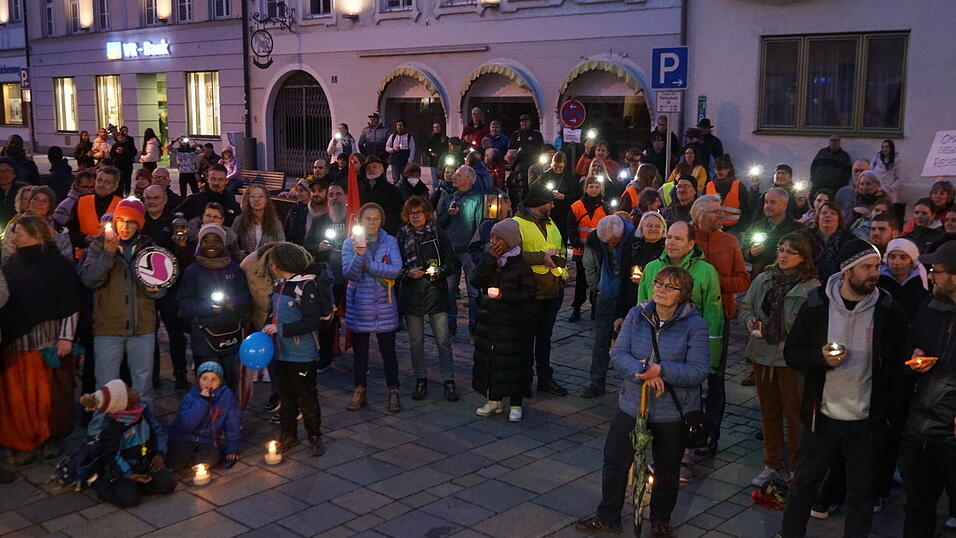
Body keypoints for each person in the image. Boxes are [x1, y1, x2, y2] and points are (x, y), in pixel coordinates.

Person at [778, 239, 907, 538]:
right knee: (803, 486)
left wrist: (889, 416)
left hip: (867, 422)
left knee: (861, 493)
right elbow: (793, 353)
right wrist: (819, 359)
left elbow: (899, 367)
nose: (874, 273)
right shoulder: (815, 305)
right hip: (821, 418)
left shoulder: (888, 309)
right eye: (866, 267)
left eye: (877, 266)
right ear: (848, 270)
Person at [575, 266, 709, 538]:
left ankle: (660, 519)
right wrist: (642, 371)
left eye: (669, 286)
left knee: (667, 468)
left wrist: (661, 371)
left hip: (671, 410)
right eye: (658, 283)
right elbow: (618, 354)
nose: (660, 289)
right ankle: (608, 516)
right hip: (633, 405)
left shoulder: (694, 325)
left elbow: (698, 370)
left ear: (683, 294)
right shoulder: (637, 314)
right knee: (615, 460)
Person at [740, 232, 819, 487]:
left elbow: (814, 326)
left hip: (790, 359)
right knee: (769, 412)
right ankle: (771, 461)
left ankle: (797, 465)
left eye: (790, 252)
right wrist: (750, 322)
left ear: (803, 257)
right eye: (781, 250)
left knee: (794, 414)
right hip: (762, 354)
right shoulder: (764, 278)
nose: (783, 255)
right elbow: (747, 308)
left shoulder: (813, 288)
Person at [0, 216, 80, 464]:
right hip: (18, 343)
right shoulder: (10, 265)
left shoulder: (58, 265)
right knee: (19, 399)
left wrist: (66, 338)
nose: (14, 237)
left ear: (36, 236)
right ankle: (24, 442)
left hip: (49, 342)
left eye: (19, 233)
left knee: (49, 397)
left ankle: (50, 439)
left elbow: (71, 303)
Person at [79, 198, 165, 398]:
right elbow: (89, 280)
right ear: (115, 222)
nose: (125, 227)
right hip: (108, 327)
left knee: (142, 384)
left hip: (142, 327)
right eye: (122, 220)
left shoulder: (149, 248)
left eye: (132, 222)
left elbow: (162, 289)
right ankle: (99, 427)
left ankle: (143, 424)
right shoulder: (99, 247)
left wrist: (155, 289)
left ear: (139, 224)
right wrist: (108, 255)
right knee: (105, 385)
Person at [899, 241, 956, 537]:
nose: (930, 275)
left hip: (951, 429)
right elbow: (912, 342)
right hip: (920, 425)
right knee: (918, 504)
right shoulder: (929, 305)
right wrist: (914, 355)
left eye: (937, 270)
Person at [690, 195, 749, 452]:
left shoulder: (729, 242)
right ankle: (690, 431)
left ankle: (712, 433)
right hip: (688, 316)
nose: (720, 216)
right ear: (698, 215)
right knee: (689, 377)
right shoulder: (687, 238)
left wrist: (714, 282)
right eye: (714, 212)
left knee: (715, 377)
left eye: (720, 212)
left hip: (719, 317)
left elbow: (743, 279)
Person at [263, 242, 329, 456]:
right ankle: (288, 434)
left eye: (273, 262)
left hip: (301, 353)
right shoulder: (279, 285)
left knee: (306, 395)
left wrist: (281, 329)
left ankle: (314, 435)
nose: (270, 266)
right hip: (281, 352)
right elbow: (273, 312)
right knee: (286, 396)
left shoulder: (305, 287)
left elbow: (312, 321)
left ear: (283, 264)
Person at [471, 219, 536, 422]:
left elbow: (529, 292)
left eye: (498, 237)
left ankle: (516, 403)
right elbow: (476, 280)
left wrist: (504, 295)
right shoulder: (490, 259)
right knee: (491, 360)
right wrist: (490, 259)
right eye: (492, 237)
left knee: (513, 362)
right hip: (490, 320)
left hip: (513, 323)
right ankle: (494, 399)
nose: (494, 241)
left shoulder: (521, 265)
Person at [73, 380, 175, 507]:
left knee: (167, 483)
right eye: (129, 391)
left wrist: (160, 453)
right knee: (129, 500)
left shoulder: (144, 410)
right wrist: (129, 474)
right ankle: (98, 484)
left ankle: (139, 484)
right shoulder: (114, 427)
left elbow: (157, 431)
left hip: (145, 461)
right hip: (125, 468)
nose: (134, 390)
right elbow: (113, 456)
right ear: (124, 403)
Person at [397, 196, 459, 401]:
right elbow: (396, 265)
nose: (415, 217)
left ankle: (448, 380)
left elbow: (452, 263)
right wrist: (407, 272)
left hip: (435, 293)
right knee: (416, 342)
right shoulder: (402, 235)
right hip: (411, 294)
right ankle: (420, 379)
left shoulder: (439, 234)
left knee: (442, 340)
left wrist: (438, 271)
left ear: (427, 213)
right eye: (412, 213)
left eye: (419, 212)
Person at [343, 203, 403, 412]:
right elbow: (350, 274)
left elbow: (395, 269)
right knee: (361, 354)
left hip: (384, 306)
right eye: (368, 219)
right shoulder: (350, 244)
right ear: (361, 220)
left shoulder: (390, 241)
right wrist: (360, 256)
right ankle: (359, 389)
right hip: (361, 305)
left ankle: (393, 390)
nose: (372, 223)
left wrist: (371, 266)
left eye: (376, 218)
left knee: (389, 352)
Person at [177, 223, 251, 389]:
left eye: (216, 240)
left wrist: (233, 303)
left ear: (224, 243)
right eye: (206, 240)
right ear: (200, 243)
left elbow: (245, 295)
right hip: (204, 338)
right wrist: (208, 307)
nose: (211, 245)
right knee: (209, 383)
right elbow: (184, 303)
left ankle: (229, 411)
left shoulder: (234, 269)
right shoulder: (192, 271)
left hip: (231, 336)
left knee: (231, 380)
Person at [515, 183, 568, 396]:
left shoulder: (550, 222)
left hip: (552, 290)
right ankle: (524, 381)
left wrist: (563, 273)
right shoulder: (517, 224)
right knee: (527, 340)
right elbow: (513, 255)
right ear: (539, 203)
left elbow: (560, 247)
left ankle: (545, 378)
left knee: (545, 339)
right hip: (531, 292)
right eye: (549, 202)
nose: (553, 205)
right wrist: (540, 258)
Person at [580, 214, 640, 398]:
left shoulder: (635, 240)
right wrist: (595, 287)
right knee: (600, 341)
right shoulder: (596, 239)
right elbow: (588, 263)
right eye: (606, 242)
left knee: (633, 344)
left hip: (629, 297)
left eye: (614, 242)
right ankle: (597, 382)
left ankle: (633, 386)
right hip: (605, 293)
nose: (610, 245)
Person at [436, 165, 484, 340]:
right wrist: (448, 214)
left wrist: (476, 247)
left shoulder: (477, 199)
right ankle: (450, 327)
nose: (454, 177)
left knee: (473, 291)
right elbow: (439, 223)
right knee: (449, 291)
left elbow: (480, 225)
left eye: (458, 175)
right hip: (450, 251)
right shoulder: (449, 198)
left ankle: (474, 328)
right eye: (454, 174)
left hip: (468, 252)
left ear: (469, 180)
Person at [167, 361, 241, 470]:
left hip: (207, 440)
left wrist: (232, 449)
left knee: (211, 459)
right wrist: (203, 401)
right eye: (204, 379)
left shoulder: (226, 396)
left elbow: (232, 424)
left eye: (213, 379)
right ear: (198, 380)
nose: (208, 383)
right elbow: (188, 425)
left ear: (220, 381)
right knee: (175, 462)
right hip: (184, 437)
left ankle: (194, 459)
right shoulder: (191, 396)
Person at [567, 176, 607, 322]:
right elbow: (571, 228)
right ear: (586, 188)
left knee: (597, 280)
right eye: (591, 186)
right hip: (581, 250)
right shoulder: (576, 206)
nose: (594, 189)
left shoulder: (606, 207)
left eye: (596, 187)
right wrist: (576, 243)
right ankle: (576, 309)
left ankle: (594, 309)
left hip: (599, 251)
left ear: (600, 188)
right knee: (581, 281)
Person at [742, 187, 801, 276]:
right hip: (760, 277)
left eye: (773, 202)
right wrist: (750, 252)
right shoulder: (758, 226)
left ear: (784, 205)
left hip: (786, 277)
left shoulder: (796, 229)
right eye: (766, 202)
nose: (767, 206)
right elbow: (743, 250)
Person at [66, 167, 122, 256]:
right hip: (84, 256)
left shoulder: (122, 205)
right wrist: (84, 238)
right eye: (99, 180)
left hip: (112, 257)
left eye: (107, 182)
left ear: (115, 186)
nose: (102, 184)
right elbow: (70, 231)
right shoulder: (81, 202)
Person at [175, 164, 241, 226]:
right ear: (207, 179)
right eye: (213, 179)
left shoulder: (233, 205)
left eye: (221, 179)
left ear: (226, 181)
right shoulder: (194, 200)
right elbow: (175, 218)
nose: (216, 183)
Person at [231, 184, 286, 257]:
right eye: (252, 196)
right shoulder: (240, 220)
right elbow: (231, 244)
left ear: (266, 200)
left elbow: (282, 246)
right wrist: (243, 255)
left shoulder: (275, 223)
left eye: (260, 196)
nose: (256, 200)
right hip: (244, 263)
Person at [704, 154, 752, 235]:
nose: (718, 172)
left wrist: (742, 228)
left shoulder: (739, 186)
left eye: (721, 169)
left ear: (728, 169)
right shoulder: (709, 185)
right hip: (713, 228)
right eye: (716, 169)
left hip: (734, 229)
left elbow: (746, 208)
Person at [358, 155, 403, 236]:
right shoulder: (360, 190)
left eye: (374, 167)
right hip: (363, 233)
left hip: (386, 232)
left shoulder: (392, 190)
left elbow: (398, 213)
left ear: (382, 169)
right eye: (368, 168)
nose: (371, 169)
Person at [539, 151, 579, 241]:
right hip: (548, 211)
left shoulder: (569, 177)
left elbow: (575, 194)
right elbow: (539, 191)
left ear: (564, 165)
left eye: (560, 167)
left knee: (562, 237)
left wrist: (564, 197)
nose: (557, 169)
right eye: (555, 166)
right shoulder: (546, 175)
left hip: (563, 212)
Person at [814, 201, 856, 282]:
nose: (827, 215)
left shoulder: (849, 240)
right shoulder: (806, 236)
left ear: (839, 219)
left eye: (833, 213)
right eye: (824, 213)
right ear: (818, 217)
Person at [508, 114, 544, 202]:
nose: (524, 123)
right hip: (519, 164)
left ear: (530, 122)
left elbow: (541, 149)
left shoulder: (536, 134)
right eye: (522, 121)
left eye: (526, 121)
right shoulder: (516, 135)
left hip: (533, 163)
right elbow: (510, 151)